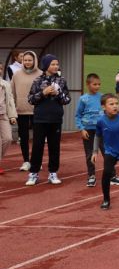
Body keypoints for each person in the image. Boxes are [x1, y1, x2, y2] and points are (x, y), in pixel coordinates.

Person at [26, 54, 71, 186]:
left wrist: (58, 94)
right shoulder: (37, 81)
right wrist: (43, 93)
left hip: (56, 118)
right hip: (40, 118)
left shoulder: (62, 81)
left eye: (57, 64)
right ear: (46, 66)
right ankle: (33, 173)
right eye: (53, 64)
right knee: (37, 146)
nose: (56, 66)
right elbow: (30, 99)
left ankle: (53, 173)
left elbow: (67, 100)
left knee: (54, 147)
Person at [75, 73, 119, 187]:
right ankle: (91, 176)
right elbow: (78, 115)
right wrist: (81, 129)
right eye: (94, 84)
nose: (97, 86)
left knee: (107, 153)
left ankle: (112, 176)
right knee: (90, 154)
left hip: (103, 131)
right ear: (88, 84)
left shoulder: (103, 98)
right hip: (88, 131)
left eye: (99, 84)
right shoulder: (83, 99)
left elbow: (109, 112)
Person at [11, 51, 41, 171]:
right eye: (25, 60)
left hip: (37, 111)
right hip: (21, 111)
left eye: (30, 60)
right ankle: (26, 161)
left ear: (34, 61)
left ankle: (36, 160)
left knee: (38, 138)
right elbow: (12, 92)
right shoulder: (17, 74)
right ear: (22, 61)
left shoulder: (41, 74)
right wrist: (13, 108)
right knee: (23, 137)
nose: (27, 62)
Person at [0, 73, 18, 174]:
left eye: (0, 68)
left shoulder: (5, 84)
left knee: (8, 138)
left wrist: (12, 116)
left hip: (4, 115)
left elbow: (10, 100)